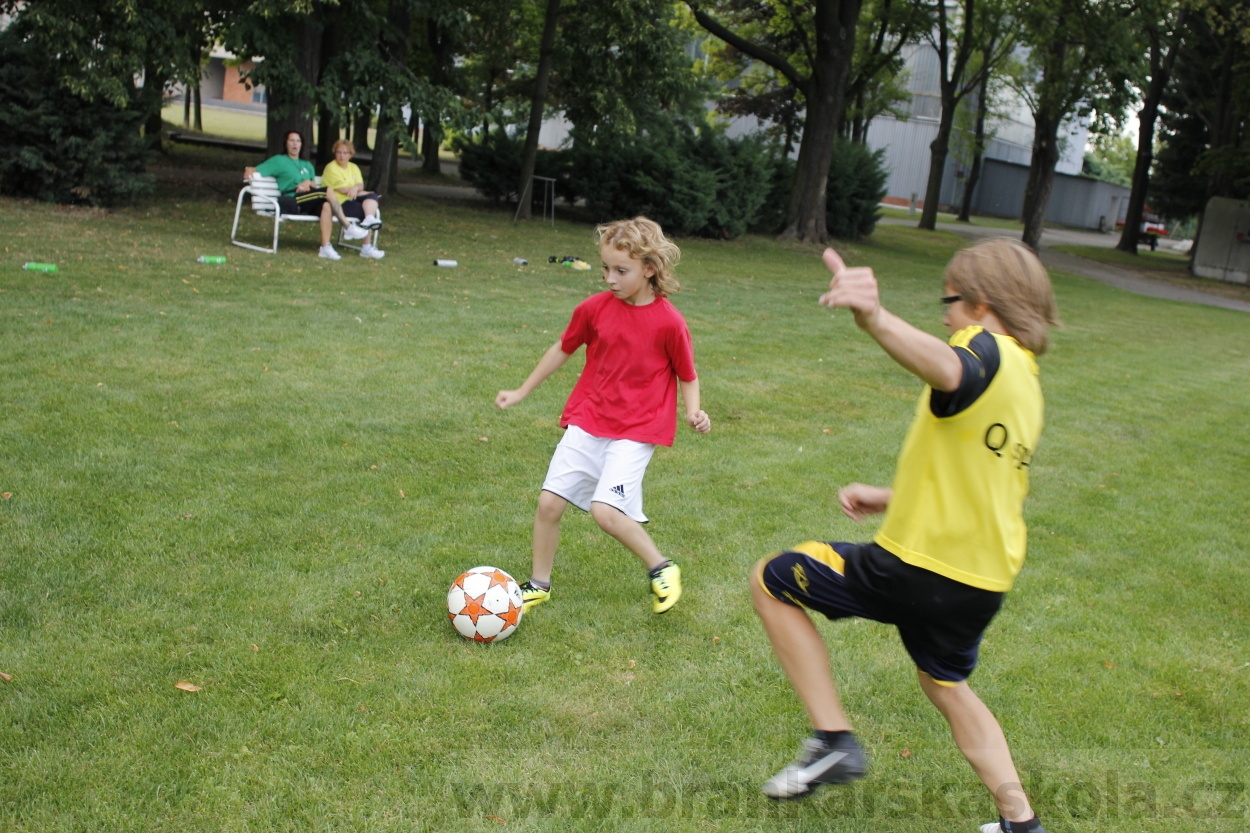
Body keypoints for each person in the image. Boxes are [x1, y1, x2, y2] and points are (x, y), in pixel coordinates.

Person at [752, 238, 1059, 833]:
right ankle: (1021, 824)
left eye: (948, 301)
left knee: (771, 578)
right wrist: (892, 496)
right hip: (982, 582)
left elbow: (949, 367)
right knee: (946, 684)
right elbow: (984, 479)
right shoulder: (1027, 382)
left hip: (922, 567)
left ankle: (833, 738)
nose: (945, 316)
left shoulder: (983, 346)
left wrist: (873, 317)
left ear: (981, 302)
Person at [495, 217, 711, 614]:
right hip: (589, 417)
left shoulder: (669, 322)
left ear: (649, 269)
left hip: (637, 428)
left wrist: (694, 411)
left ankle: (661, 567)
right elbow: (564, 347)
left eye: (621, 271)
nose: (610, 278)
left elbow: (687, 374)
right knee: (548, 504)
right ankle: (538, 585)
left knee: (605, 512)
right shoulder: (594, 309)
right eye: (606, 269)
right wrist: (522, 390)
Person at [243, 130, 368, 261]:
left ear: (301, 144)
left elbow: (313, 184)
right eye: (291, 140)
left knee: (326, 205)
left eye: (298, 141)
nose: (295, 144)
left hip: (309, 199)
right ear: (286, 143)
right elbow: (253, 169)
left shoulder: (307, 165)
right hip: (293, 199)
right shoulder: (279, 161)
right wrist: (248, 174)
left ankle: (325, 248)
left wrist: (308, 182)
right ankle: (347, 226)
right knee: (328, 191)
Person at [321, 139, 385, 260]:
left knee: (372, 198)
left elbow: (360, 185)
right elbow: (344, 190)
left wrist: (356, 188)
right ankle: (366, 247)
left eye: (345, 153)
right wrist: (357, 190)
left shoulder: (353, 167)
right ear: (334, 153)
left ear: (350, 154)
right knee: (364, 209)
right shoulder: (331, 168)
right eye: (339, 152)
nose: (342, 155)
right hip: (339, 203)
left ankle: (369, 220)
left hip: (352, 198)